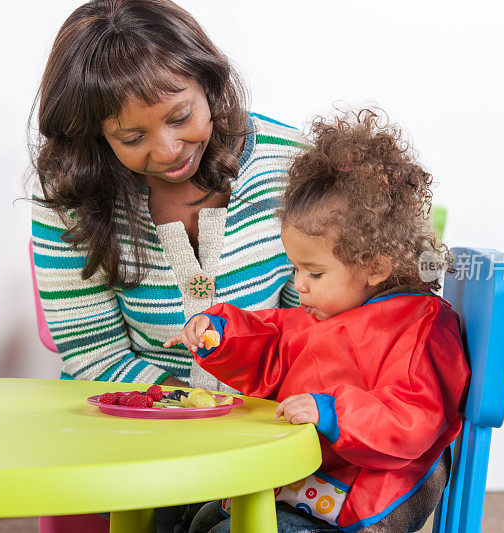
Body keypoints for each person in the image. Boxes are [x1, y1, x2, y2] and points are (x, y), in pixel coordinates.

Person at [29, 0, 304, 530]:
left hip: (271, 429)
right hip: (137, 440)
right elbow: (92, 354)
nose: (169, 148)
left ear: (211, 85)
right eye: (132, 139)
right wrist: (195, 417)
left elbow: (311, 323)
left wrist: (253, 426)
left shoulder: (286, 163)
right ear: (93, 138)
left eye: (181, 116)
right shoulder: (71, 195)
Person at [164, 109, 471, 533]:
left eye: (314, 273)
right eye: (295, 269)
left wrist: (334, 413)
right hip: (308, 473)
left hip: (369, 487)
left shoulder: (419, 324)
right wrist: (221, 334)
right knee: (200, 520)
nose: (298, 285)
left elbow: (412, 415)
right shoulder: (326, 312)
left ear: (375, 266)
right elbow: (272, 345)